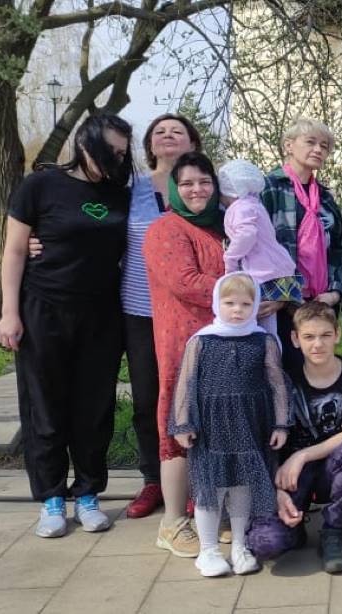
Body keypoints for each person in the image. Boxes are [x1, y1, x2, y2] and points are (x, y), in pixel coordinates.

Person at [0, 114, 133, 538]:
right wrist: (9, 312)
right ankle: (51, 498)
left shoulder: (121, 194)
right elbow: (15, 251)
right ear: (84, 144)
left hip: (101, 316)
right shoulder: (40, 186)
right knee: (46, 407)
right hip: (44, 310)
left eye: (122, 153)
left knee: (94, 409)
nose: (116, 160)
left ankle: (88, 494)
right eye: (109, 151)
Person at [246, 302, 342, 575]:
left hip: (336, 465)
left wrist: (302, 454)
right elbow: (265, 443)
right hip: (292, 476)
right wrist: (275, 492)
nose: (317, 344)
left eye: (325, 335)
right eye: (309, 337)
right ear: (295, 339)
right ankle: (294, 530)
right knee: (265, 544)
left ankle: (333, 530)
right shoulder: (282, 381)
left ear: (337, 335)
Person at [169, 273, 289, 577]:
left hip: (250, 423)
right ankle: (208, 550)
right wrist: (183, 423)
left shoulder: (263, 340)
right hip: (211, 425)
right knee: (211, 487)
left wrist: (280, 423)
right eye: (230, 303)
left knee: (242, 486)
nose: (237, 310)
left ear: (256, 306)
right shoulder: (202, 340)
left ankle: (239, 546)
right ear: (216, 303)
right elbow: (186, 383)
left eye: (246, 304)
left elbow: (276, 382)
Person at [143, 151, 228, 556]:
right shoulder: (166, 229)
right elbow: (185, 281)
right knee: (179, 426)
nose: (197, 190)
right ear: (175, 189)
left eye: (205, 182)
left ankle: (212, 511)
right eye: (188, 183)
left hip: (225, 343)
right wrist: (246, 290)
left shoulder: (221, 225)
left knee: (219, 425)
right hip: (184, 343)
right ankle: (172, 522)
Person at [122, 114, 201, 518]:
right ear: (150, 145)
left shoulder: (202, 186)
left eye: (177, 131)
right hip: (141, 309)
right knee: (147, 397)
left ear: (193, 143)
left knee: (194, 396)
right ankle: (154, 479)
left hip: (191, 312)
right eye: (160, 132)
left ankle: (195, 481)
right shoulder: (130, 188)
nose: (168, 136)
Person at [259, 118, 342, 372]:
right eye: (311, 142)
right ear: (288, 145)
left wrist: (335, 292)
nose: (318, 149)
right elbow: (257, 248)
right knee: (283, 372)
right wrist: (282, 295)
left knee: (317, 373)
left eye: (324, 146)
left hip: (320, 303)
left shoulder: (326, 198)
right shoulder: (268, 188)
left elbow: (337, 251)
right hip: (279, 304)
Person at [220, 160, 303, 340]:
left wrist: (230, 259)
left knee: (261, 323)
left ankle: (268, 353)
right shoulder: (254, 204)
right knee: (271, 325)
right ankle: (273, 351)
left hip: (263, 272)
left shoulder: (240, 208)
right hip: (277, 268)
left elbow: (246, 234)